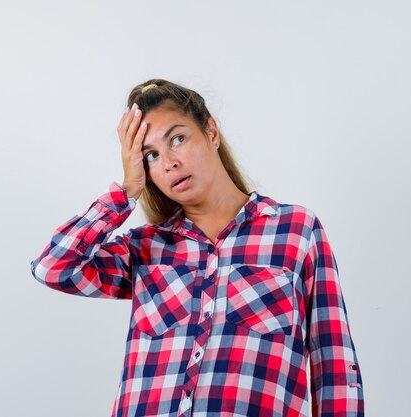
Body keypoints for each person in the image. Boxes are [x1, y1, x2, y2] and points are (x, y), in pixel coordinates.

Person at [30, 79, 365, 417]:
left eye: (177, 139)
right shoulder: (145, 249)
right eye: (151, 155)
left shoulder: (295, 231)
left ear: (211, 132)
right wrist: (127, 190)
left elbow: (335, 368)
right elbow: (52, 267)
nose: (168, 162)